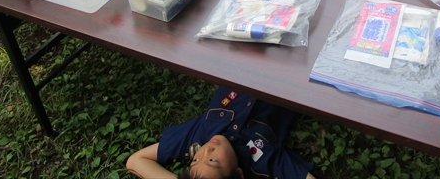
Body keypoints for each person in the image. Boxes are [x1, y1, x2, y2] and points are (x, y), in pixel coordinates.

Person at [125, 86, 316, 179]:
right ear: (239, 174)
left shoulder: (196, 139)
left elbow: (135, 161)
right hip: (289, 73)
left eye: (195, 160)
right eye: (213, 161)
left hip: (246, 53)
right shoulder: (262, 160)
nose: (206, 151)